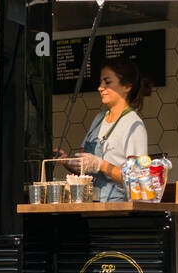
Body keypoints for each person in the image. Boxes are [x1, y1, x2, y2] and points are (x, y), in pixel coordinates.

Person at [59, 59, 151, 201]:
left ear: (126, 87)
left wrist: (101, 165)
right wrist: (67, 161)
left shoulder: (133, 125)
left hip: (117, 208)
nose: (100, 87)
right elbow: (85, 167)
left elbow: (137, 178)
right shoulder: (99, 119)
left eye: (107, 82)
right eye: (100, 82)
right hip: (90, 203)